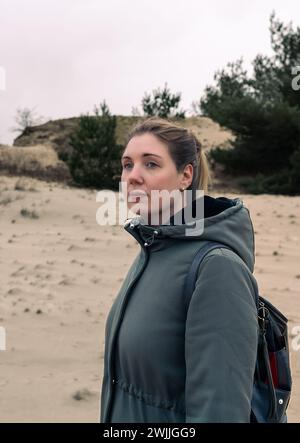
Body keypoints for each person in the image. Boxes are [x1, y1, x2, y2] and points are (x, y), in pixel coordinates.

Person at [100, 117, 258, 423]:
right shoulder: (152, 250)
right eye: (127, 164)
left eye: (151, 164)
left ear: (186, 175)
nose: (133, 176)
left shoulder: (217, 268)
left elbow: (219, 411)